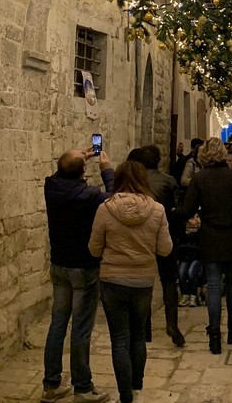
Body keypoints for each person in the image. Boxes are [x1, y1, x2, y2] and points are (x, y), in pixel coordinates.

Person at [88, 161, 173, 403]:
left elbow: (94, 249)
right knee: (138, 335)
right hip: (142, 280)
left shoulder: (105, 209)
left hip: (112, 279)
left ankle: (125, 394)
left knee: (120, 339)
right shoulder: (157, 210)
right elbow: (165, 249)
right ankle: (137, 384)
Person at [42, 148, 113, 403]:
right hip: (83, 267)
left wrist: (76, 158)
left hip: (60, 264)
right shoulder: (89, 195)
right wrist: (107, 171)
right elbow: (115, 199)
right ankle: (82, 388)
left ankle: (51, 385)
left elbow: (59, 172)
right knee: (81, 329)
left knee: (57, 324)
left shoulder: (51, 187)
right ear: (83, 171)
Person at [179, 137, 232, 354]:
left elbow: (187, 209)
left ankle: (215, 336)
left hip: (210, 236)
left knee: (214, 286)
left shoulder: (199, 179)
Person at [137, 145, 186, 347]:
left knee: (144, 280)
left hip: (141, 236)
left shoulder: (136, 182)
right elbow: (177, 209)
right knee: (168, 280)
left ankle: (144, 327)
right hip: (164, 232)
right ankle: (172, 324)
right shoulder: (167, 180)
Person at [177, 214, 204, 307]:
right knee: (181, 272)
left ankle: (193, 294)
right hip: (186, 257)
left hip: (198, 258)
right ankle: (185, 293)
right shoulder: (183, 232)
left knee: (191, 272)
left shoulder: (201, 232)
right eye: (193, 218)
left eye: (198, 217)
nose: (196, 220)